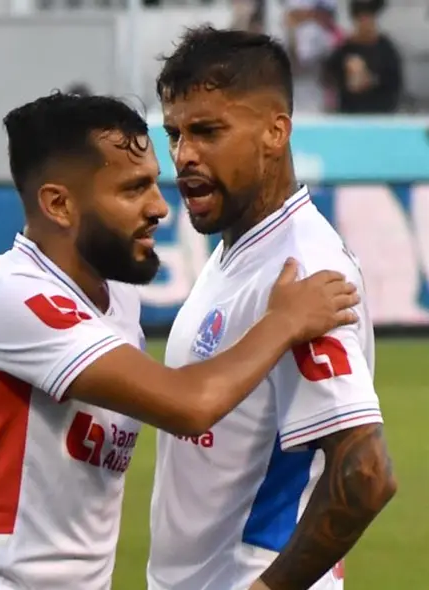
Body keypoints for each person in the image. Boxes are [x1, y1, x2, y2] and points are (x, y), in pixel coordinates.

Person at [0, 92, 360, 590]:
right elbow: (189, 404)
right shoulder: (9, 293)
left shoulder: (118, 298)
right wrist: (284, 321)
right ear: (58, 204)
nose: (158, 208)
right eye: (133, 189)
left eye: (154, 183)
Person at [148, 26, 397, 590]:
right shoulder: (241, 248)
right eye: (175, 134)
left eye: (207, 131)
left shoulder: (301, 268)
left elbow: (366, 472)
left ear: (274, 132)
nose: (184, 155)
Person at [324, 0, 403, 114]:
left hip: (380, 112)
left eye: (368, 17)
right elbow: (329, 77)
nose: (365, 22)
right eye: (361, 18)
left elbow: (395, 83)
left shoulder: (387, 50)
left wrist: (371, 80)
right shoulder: (344, 49)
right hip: (349, 113)